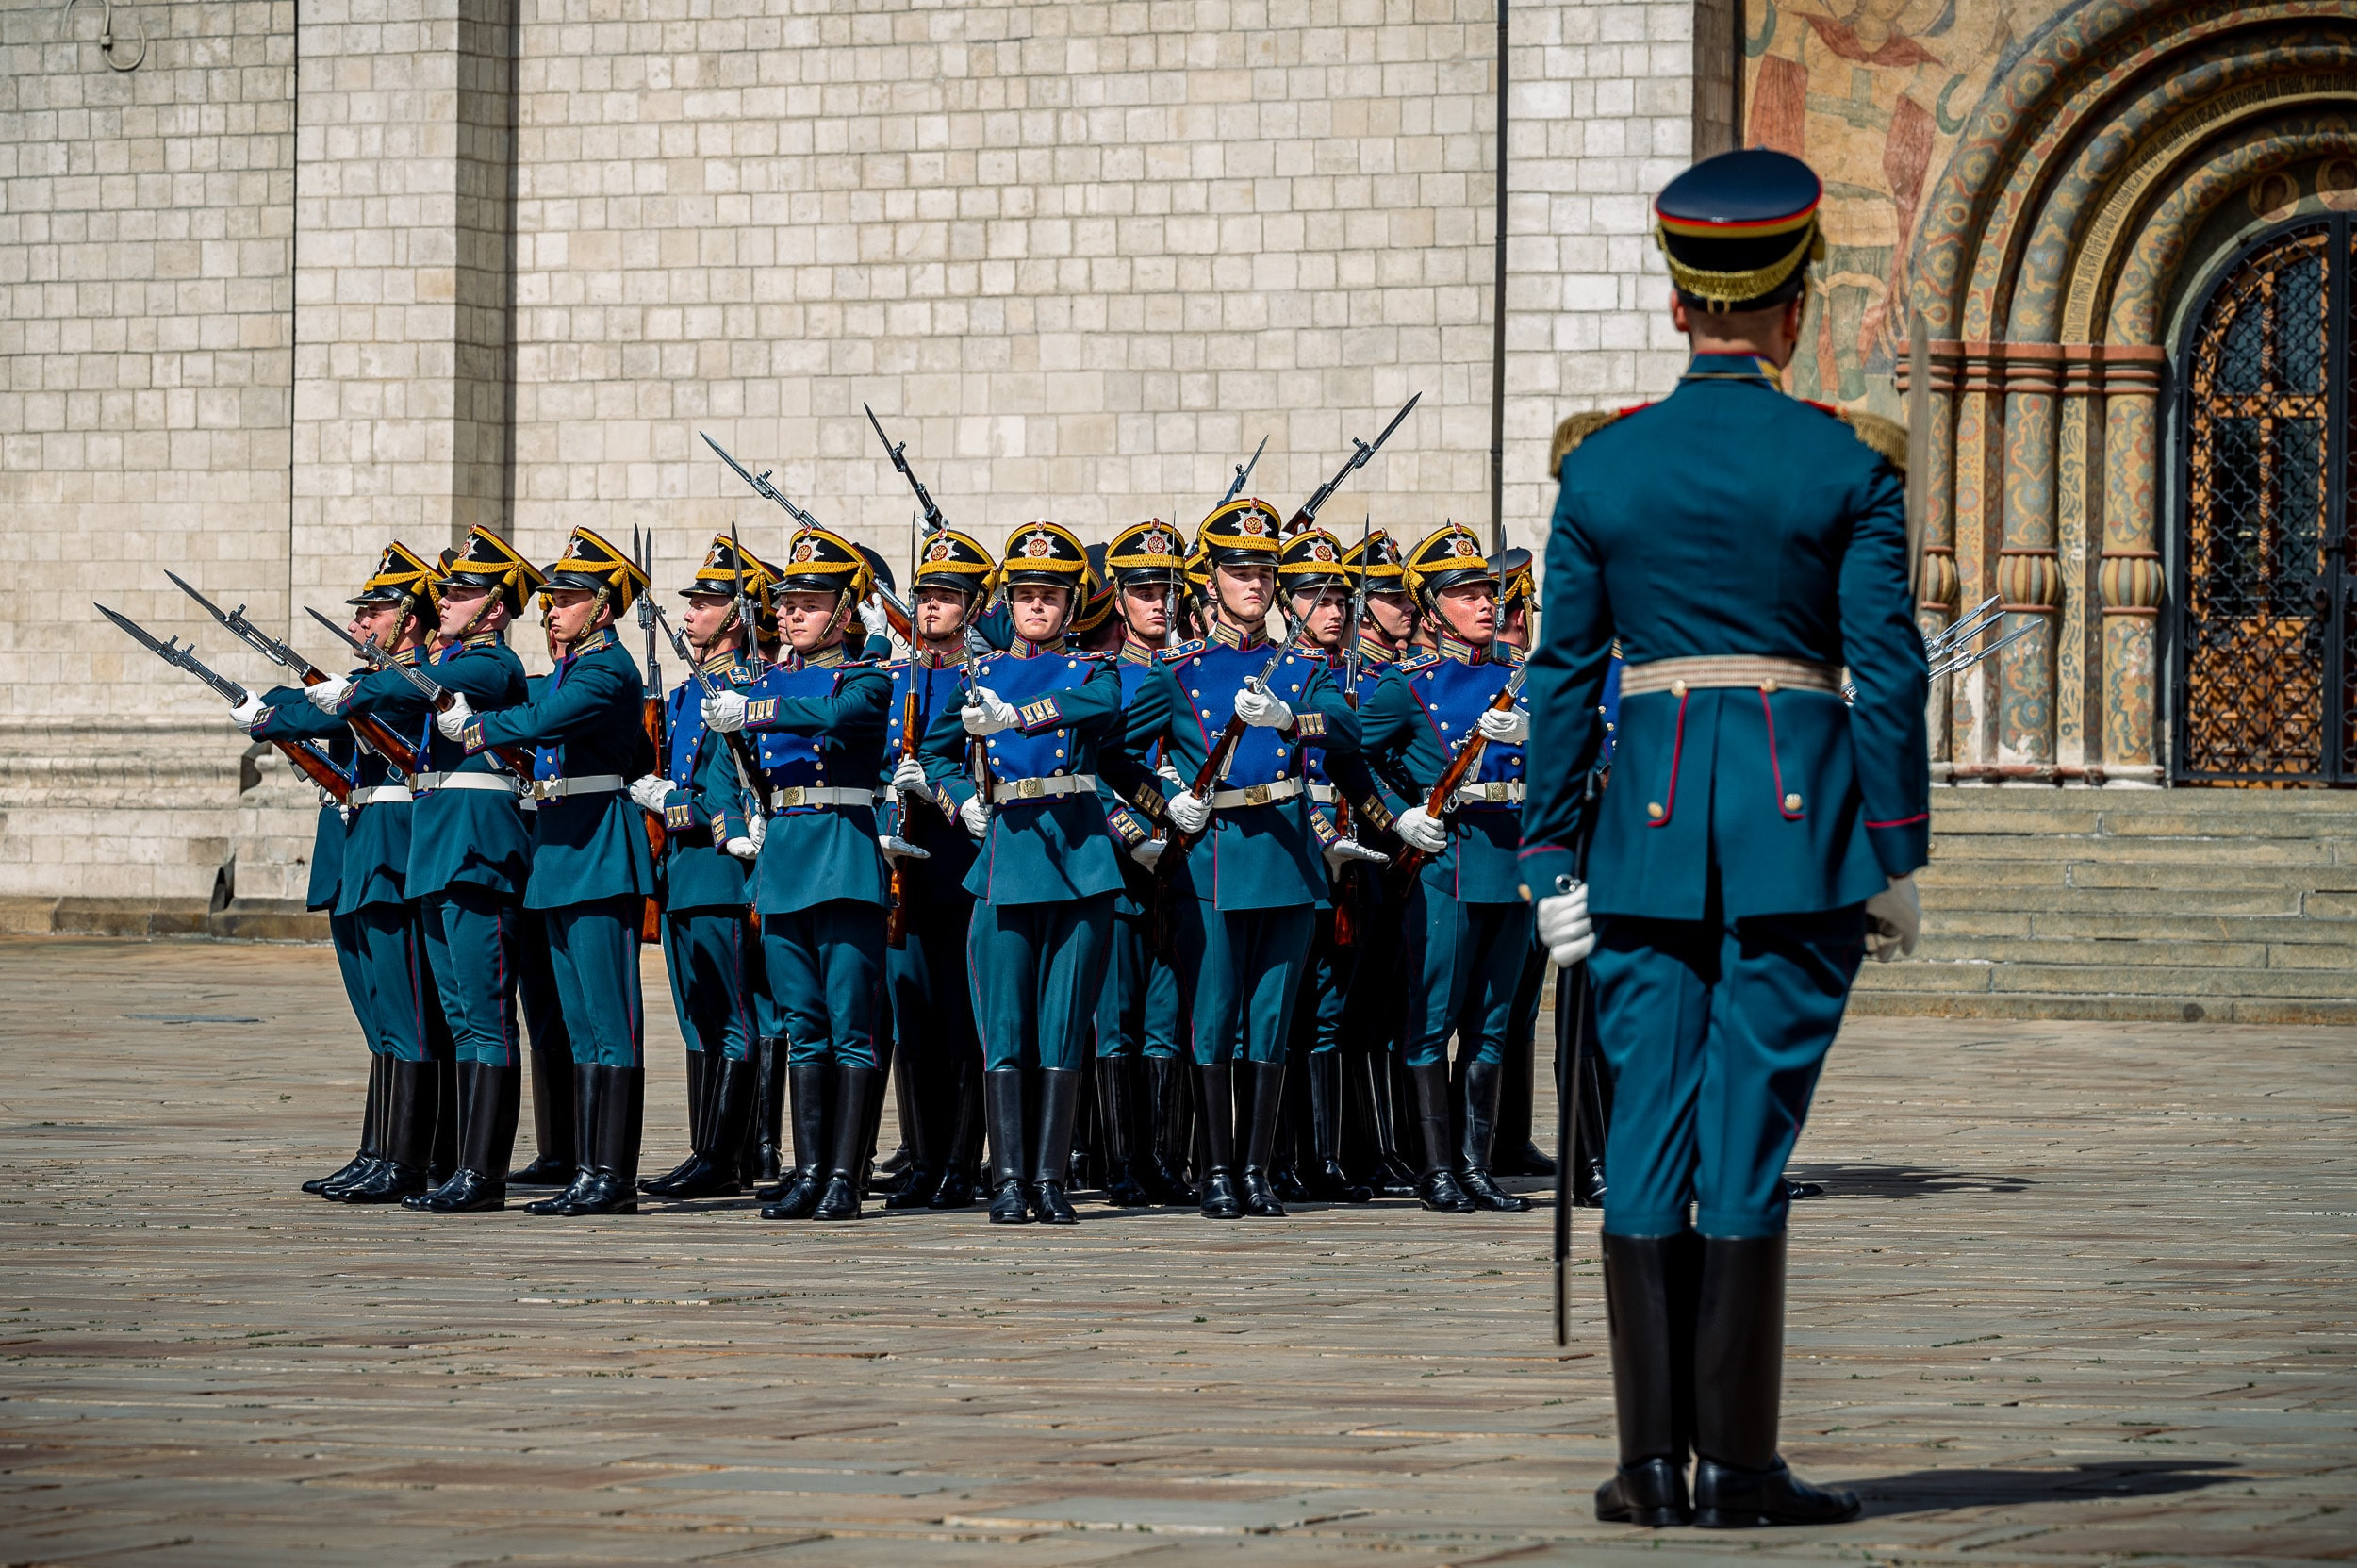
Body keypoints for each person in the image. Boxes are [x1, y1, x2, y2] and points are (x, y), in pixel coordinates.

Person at [1519, 147, 1927, 1529]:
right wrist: (1898, 846)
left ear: (1679, 298)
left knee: (1645, 1135)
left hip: (1636, 836)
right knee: (1747, 1138)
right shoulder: (1846, 458)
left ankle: (1647, 1467)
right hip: (1799, 834)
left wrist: (1545, 861)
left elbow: (1561, 677)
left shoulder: (1604, 462)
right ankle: (1740, 1467)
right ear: (1800, 297)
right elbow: (1889, 665)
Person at [1112, 500, 1361, 1220]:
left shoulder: (1301, 668)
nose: (1254, 584)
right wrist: (1162, 806)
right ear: (1210, 581)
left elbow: (1344, 729)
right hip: (1215, 859)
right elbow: (1109, 756)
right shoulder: (1179, 672)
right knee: (1215, 1019)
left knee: (1274, 1019)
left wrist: (1290, 719)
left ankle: (1258, 1170)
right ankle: (1217, 1168)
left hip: (1286, 854)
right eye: (1239, 571)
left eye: (1264, 572)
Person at [915, 521, 1127, 1225]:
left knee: (1064, 1025)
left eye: (1051, 596)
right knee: (1004, 1026)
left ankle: (1050, 1178)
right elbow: (934, 754)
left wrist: (1018, 716)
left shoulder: (1090, 670)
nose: (1037, 607)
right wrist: (962, 800)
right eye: (1027, 595)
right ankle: (1008, 1180)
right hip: (1006, 856)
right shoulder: (978, 676)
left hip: (1075, 857)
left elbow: (1103, 706)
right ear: (1008, 602)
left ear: (1071, 605)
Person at [441, 525, 657, 1217]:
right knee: (580, 1022)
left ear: (603, 607)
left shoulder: (607, 670)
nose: (552, 609)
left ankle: (612, 1174)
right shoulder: (570, 667)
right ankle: (587, 1166)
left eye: (569, 598)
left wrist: (479, 728)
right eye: (553, 598)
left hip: (598, 845)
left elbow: (546, 719)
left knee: (609, 1021)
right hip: (563, 848)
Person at [332, 528, 543, 1213]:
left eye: (460, 592)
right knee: (460, 1017)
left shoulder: (489, 667)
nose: (444, 600)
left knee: (485, 1018)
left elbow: (418, 683)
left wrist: (353, 687)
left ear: (494, 609)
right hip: (440, 852)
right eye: (446, 590)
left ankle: (481, 1172)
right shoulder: (445, 663)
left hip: (477, 852)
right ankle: (453, 1165)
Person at [244, 542, 452, 1204]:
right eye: (361, 613)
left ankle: (408, 1160)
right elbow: (316, 705)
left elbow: (320, 709)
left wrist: (276, 714)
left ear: (409, 620)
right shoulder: (371, 682)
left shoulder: (410, 682)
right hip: (363, 848)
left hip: (396, 848)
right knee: (382, 1019)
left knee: (410, 1015)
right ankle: (379, 1148)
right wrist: (272, 703)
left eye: (375, 612)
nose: (361, 624)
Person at [701, 525, 892, 1223]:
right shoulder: (764, 680)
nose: (792, 614)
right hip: (783, 859)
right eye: (786, 603)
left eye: (809, 603)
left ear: (845, 611)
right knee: (803, 1024)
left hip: (842, 855)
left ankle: (846, 1172)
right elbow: (726, 769)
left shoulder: (866, 676)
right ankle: (809, 1170)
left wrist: (752, 708)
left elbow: (838, 715)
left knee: (851, 1026)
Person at [1358, 524, 1535, 1217]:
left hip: (1512, 859)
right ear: (1431, 610)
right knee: (1432, 1021)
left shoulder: (1522, 682)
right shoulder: (1409, 687)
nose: (1485, 603)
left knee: (1493, 1024)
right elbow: (1355, 759)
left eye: (1487, 591)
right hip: (1448, 865)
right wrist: (1398, 816)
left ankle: (1476, 1165)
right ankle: (1435, 1170)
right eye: (1465, 593)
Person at [634, 534, 779, 1201]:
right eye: (691, 602)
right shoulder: (697, 690)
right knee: (699, 1016)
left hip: (723, 872)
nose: (690, 613)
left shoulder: (743, 688)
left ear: (738, 616)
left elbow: (737, 794)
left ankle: (725, 1155)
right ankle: (712, 1149)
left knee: (732, 1017)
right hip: (686, 878)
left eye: (706, 603)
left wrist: (678, 806)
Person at [876, 525, 996, 1211]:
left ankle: (960, 1160)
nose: (932, 607)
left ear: (972, 607)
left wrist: (943, 793)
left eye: (947, 597)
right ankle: (920, 1157)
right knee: (911, 1022)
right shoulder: (895, 678)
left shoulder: (977, 679)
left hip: (956, 861)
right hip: (901, 870)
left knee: (961, 1023)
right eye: (925, 595)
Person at [1276, 526, 1387, 1203]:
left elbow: (1358, 769)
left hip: (1351, 864)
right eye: (1317, 598)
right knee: (1285, 1013)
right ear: (1289, 606)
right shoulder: (1280, 679)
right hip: (1294, 855)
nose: (1333, 611)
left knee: (1332, 1014)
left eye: (1341, 599)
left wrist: (1393, 830)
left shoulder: (1352, 678)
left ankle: (1327, 1156)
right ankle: (1281, 1156)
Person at [1091, 520, 1195, 1208]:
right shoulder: (1102, 676)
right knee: (1116, 1016)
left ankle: (1165, 1158)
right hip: (1121, 865)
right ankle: (1119, 1160)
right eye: (1143, 590)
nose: (1159, 604)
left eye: (1167, 590)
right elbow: (1089, 766)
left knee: (1169, 1017)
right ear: (1118, 599)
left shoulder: (1194, 674)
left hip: (1184, 863)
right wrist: (1134, 831)